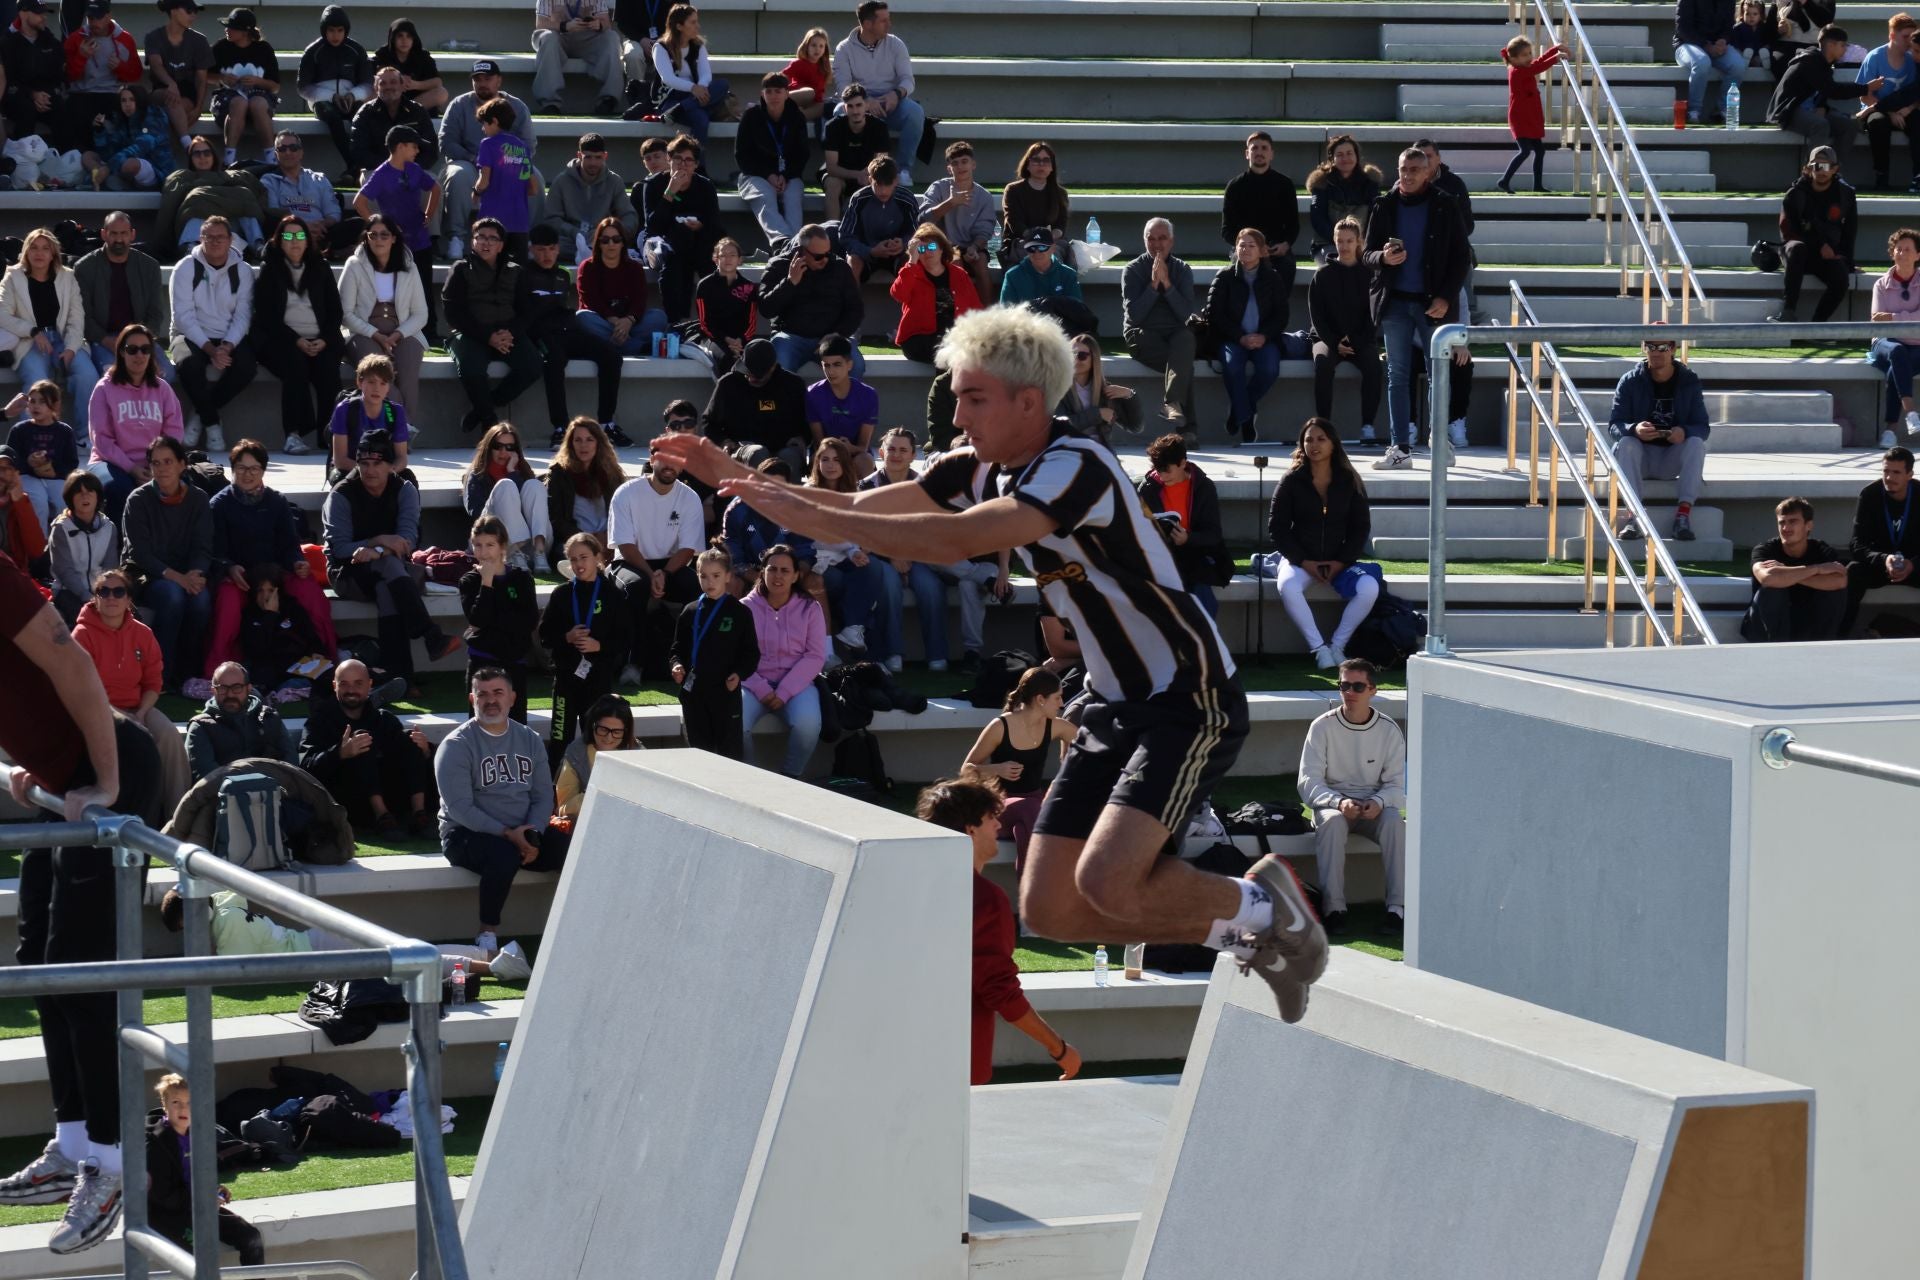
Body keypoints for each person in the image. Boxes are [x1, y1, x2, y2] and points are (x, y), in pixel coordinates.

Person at [652, 306, 1328, 1021]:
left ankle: (1265, 906)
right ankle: (1258, 933)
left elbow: (951, 540)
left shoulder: (1077, 466)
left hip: (1187, 695)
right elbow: (856, 504)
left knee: (1107, 880)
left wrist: (796, 506)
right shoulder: (983, 468)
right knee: (1053, 907)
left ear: (1028, 402)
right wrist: (742, 479)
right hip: (1112, 701)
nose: (957, 415)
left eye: (974, 398)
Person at [0, 552, 164, 1257]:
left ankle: (115, 1162)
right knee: (42, 963)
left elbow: (69, 658)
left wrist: (104, 779)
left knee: (83, 974)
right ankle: (71, 1147)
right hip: (63, 780)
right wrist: (38, 766)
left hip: (109, 771)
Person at [914, 778, 1081, 1084]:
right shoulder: (985, 899)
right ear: (971, 830)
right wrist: (1058, 1048)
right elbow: (1000, 990)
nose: (998, 825)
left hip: (900, 1052)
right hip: (955, 1063)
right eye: (991, 818)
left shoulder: (909, 887)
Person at [321, 428, 463, 688]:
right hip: (347, 572)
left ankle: (399, 678)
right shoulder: (341, 495)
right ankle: (430, 634)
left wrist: (376, 551)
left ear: (390, 465)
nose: (370, 470)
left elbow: (407, 541)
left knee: (386, 588)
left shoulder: (404, 489)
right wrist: (379, 540)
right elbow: (340, 549)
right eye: (364, 463)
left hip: (388, 571)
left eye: (377, 463)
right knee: (389, 567)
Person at [859, 426, 1007, 673]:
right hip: (880, 558)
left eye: (903, 450)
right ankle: (893, 652)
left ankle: (937, 654)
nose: (896, 454)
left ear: (912, 455)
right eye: (891, 449)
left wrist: (906, 555)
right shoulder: (866, 486)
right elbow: (864, 531)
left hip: (917, 557)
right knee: (891, 586)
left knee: (930, 587)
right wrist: (892, 556)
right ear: (881, 453)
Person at [438, 667, 561, 952]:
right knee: (503, 854)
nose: (490, 700)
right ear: (472, 699)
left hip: (523, 831)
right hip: (466, 835)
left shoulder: (529, 739)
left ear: (512, 698)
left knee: (569, 848)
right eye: (482, 694)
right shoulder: (456, 745)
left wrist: (532, 835)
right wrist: (509, 834)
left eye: (498, 692)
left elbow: (544, 796)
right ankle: (487, 934)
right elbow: (460, 809)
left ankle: (574, 924)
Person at [1364, 146, 1471, 468]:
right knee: (1397, 375)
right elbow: (1367, 254)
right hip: (1395, 303)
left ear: (1428, 172)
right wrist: (1383, 258)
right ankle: (1400, 448)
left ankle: (1440, 442)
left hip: (1432, 304)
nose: (1407, 175)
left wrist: (1445, 298)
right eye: (1403, 169)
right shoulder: (1384, 204)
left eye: (1414, 169)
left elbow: (1461, 257)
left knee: (1439, 373)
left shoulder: (1445, 204)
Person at [160, 889, 529, 978]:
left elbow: (228, 970)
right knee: (411, 952)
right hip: (317, 938)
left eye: (185, 927)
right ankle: (486, 955)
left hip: (318, 953)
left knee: (407, 963)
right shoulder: (224, 903)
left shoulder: (224, 925)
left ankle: (494, 967)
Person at [203, 438, 335, 677]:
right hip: (239, 579)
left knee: (309, 591)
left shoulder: (277, 501)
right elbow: (214, 552)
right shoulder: (219, 505)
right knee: (228, 603)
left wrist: (297, 562)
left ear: (263, 470)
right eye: (241, 468)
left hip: (275, 575)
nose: (248, 474)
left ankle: (329, 662)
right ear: (233, 469)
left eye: (254, 468)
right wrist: (229, 567)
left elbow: (290, 545)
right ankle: (218, 671)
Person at [1297, 656, 1406, 936]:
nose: (1349, 692)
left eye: (1358, 687)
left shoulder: (1389, 729)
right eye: (1344, 686)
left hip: (1374, 806)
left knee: (1395, 823)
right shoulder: (1321, 726)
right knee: (1332, 822)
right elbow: (1307, 782)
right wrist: (1338, 801)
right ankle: (1334, 909)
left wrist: (1379, 802)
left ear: (1373, 690)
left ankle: (1397, 909)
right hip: (1333, 805)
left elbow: (1397, 786)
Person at [71, 564, 190, 807]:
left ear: (128, 600)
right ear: (95, 599)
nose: (111, 597)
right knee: (138, 741)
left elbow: (153, 681)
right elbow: (81, 689)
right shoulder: (82, 634)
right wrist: (124, 718)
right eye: (104, 592)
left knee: (169, 735)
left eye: (118, 592)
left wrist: (142, 713)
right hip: (99, 711)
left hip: (138, 707)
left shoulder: (143, 634)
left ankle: (180, 814)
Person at [1267, 418, 1377, 666]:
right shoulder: (1291, 480)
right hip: (1300, 560)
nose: (1314, 445)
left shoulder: (1349, 480)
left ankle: (1337, 646)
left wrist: (1341, 562)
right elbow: (1277, 528)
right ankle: (1320, 650)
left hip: (1340, 561)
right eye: (1308, 440)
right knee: (1288, 586)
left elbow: (1361, 527)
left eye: (1321, 439)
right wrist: (1303, 561)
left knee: (1369, 588)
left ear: (1333, 444)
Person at [297, 657, 434, 837]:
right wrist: (340, 753)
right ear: (334, 686)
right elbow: (306, 766)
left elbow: (406, 758)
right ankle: (382, 816)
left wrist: (425, 750)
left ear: (370, 685)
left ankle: (419, 814)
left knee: (410, 740)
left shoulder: (384, 719)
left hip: (390, 793)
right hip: (348, 800)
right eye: (344, 684)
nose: (351, 690)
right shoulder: (319, 722)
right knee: (361, 739)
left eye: (358, 683)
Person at [144, 1073, 265, 1266]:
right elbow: (161, 1195)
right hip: (167, 1216)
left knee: (251, 1238)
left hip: (198, 1209)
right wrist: (203, 1200)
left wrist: (215, 1189)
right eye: (176, 1102)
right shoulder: (155, 1144)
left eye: (190, 1102)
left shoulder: (198, 1136)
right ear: (165, 1104)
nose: (183, 1108)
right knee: (200, 1255)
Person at [120, 434, 212, 689]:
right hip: (148, 575)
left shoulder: (198, 499)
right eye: (155, 463)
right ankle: (161, 674)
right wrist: (178, 578)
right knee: (172, 596)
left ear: (182, 464)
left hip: (186, 574)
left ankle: (189, 672)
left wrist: (196, 574)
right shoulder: (138, 500)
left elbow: (203, 546)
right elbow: (140, 553)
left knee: (201, 599)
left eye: (168, 461)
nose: (161, 468)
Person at [961, 668, 1072, 876]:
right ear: (1040, 699)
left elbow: (1087, 744)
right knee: (1029, 809)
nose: (1062, 703)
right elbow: (966, 771)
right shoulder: (1001, 726)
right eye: (1057, 698)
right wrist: (996, 769)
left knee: (1025, 827)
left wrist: (1065, 760)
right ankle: (1038, 887)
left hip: (1032, 807)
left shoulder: (1055, 726)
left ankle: (1029, 889)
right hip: (998, 805)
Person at [251, 215, 347, 454]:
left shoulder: (321, 267)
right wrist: (296, 340)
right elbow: (266, 316)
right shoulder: (269, 269)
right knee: (295, 366)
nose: (294, 241)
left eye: (300, 235)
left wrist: (324, 339)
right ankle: (293, 434)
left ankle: (330, 434)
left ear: (307, 240)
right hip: (280, 340)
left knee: (328, 370)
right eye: (288, 236)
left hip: (321, 339)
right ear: (279, 241)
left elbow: (335, 311)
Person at [607, 445, 704, 676]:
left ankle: (689, 660)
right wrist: (652, 575)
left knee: (698, 587)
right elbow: (625, 545)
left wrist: (665, 573)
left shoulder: (690, 497)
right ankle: (632, 662)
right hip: (630, 562)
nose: (670, 465)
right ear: (652, 459)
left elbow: (688, 548)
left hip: (670, 565)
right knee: (636, 587)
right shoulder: (626, 493)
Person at [1, 230, 101, 453]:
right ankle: (29, 443)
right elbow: (3, 314)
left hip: (64, 339)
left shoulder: (67, 276)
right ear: (26, 251)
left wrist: (71, 348)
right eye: (34, 248)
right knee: (37, 381)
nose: (39, 253)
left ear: (53, 253)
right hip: (30, 341)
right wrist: (33, 331)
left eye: (45, 248)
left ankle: (85, 437)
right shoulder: (13, 276)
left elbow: (76, 318)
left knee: (87, 376)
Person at [1607, 333, 1711, 541]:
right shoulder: (1630, 380)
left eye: (1662, 347)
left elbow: (1702, 426)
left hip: (1671, 457)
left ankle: (1683, 516)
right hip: (1640, 457)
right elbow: (1615, 425)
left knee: (1696, 443)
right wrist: (1634, 429)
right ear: (1644, 348)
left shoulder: (1689, 380)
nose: (1656, 352)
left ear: (1673, 349)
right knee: (1626, 442)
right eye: (1651, 347)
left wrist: (1684, 431)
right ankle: (1634, 517)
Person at [444, 218, 543, 435]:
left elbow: (527, 311)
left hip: (507, 334)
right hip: (471, 334)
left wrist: (511, 332)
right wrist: (487, 336)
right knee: (471, 368)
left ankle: (483, 408)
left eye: (492, 238)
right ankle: (489, 420)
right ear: (472, 242)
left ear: (501, 245)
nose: (485, 242)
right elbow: (453, 312)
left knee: (532, 366)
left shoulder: (516, 271)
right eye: (480, 237)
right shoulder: (460, 269)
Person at [168, 215, 256, 453]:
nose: (215, 241)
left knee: (246, 367)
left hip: (229, 336)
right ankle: (213, 424)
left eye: (221, 237)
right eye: (209, 237)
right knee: (189, 365)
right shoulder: (185, 267)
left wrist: (226, 347)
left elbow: (243, 315)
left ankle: (201, 415)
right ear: (200, 239)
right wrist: (210, 349)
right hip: (189, 334)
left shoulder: (243, 270)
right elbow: (183, 316)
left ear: (231, 240)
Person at [540, 531, 630, 766]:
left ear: (598, 557)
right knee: (560, 736)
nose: (578, 564)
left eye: (584, 557)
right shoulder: (562, 594)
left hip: (598, 681)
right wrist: (567, 637)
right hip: (566, 679)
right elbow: (544, 636)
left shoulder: (612, 595)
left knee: (596, 738)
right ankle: (556, 786)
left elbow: (625, 639)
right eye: (573, 559)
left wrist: (599, 645)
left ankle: (594, 784)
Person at [737, 543, 826, 776]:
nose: (778, 576)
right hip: (752, 685)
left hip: (797, 686)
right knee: (735, 723)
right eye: (772, 569)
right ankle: (749, 780)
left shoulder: (810, 608)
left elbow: (815, 656)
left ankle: (789, 778)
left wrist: (784, 691)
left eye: (785, 570)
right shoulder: (743, 608)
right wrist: (761, 689)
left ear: (796, 576)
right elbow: (735, 655)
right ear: (762, 572)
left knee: (808, 726)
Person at [438, 59, 539, 261]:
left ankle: (531, 237)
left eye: (488, 79)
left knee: (537, 175)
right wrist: (473, 158)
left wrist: (501, 164)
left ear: (499, 80)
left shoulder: (518, 106)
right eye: (477, 79)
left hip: (505, 165)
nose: (482, 83)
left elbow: (529, 144)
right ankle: (457, 237)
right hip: (468, 162)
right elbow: (446, 141)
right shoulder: (459, 104)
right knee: (459, 174)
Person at [353, 127, 442, 347]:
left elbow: (435, 188)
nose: (417, 150)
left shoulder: (414, 169)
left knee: (424, 286)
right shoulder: (382, 174)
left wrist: (429, 214)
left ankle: (430, 332)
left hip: (420, 239)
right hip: (395, 246)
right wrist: (382, 229)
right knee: (397, 291)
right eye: (414, 146)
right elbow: (359, 202)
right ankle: (399, 331)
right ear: (400, 147)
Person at [339, 217, 428, 434]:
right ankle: (399, 428)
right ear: (366, 238)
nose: (378, 240)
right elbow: (345, 313)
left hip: (403, 330)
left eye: (384, 235)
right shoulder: (354, 265)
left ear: (394, 238)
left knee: (408, 373)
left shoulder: (409, 267)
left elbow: (420, 313)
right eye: (373, 235)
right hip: (363, 331)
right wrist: (375, 334)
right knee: (380, 374)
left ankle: (405, 429)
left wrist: (398, 334)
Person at [86, 322, 182, 520]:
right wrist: (132, 468)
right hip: (111, 462)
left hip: (155, 463)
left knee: (184, 487)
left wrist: (157, 466)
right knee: (118, 489)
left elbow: (174, 433)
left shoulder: (163, 389)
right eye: (132, 349)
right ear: (121, 352)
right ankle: (121, 539)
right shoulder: (104, 389)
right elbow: (102, 440)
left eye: (145, 349)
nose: (139, 355)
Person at [671, 546, 758, 757]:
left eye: (716, 575)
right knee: (699, 752)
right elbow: (678, 648)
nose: (710, 582)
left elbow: (751, 653)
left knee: (729, 752)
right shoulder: (690, 611)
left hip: (725, 692)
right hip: (694, 693)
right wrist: (676, 664)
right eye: (703, 576)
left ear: (728, 576)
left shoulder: (740, 612)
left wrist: (739, 673)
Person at [1206, 227, 1287, 444]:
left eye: (1252, 245)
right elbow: (1215, 314)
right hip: (1232, 339)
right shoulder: (1224, 276)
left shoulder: (1272, 278)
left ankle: (1239, 410)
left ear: (1262, 251)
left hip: (1264, 339)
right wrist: (1240, 337)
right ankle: (1247, 418)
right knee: (1232, 367)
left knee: (1269, 369)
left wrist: (1264, 336)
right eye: (1242, 245)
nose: (1246, 249)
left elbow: (1282, 315)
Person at [1137, 433, 1229, 616]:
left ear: (1182, 463)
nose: (1162, 476)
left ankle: (1203, 632)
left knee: (1202, 603)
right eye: (1158, 470)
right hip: (1160, 557)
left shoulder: (1203, 487)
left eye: (1167, 470)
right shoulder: (1147, 489)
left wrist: (1188, 538)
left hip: (1195, 556)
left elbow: (1213, 535)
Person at [73, 212, 171, 383]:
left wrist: (141, 344)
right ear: (104, 234)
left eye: (124, 233)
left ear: (132, 234)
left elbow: (155, 314)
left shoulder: (149, 266)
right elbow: (84, 316)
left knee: (165, 374)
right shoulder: (85, 268)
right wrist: (108, 341)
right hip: (103, 339)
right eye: (114, 233)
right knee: (116, 378)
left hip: (140, 337)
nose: (119, 239)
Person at [833, 1, 923, 185]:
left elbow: (908, 80)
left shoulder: (896, 44)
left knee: (915, 112)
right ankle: (846, 169)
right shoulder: (844, 48)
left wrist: (896, 94)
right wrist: (866, 101)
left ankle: (903, 170)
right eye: (884, 21)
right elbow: (843, 87)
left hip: (892, 103)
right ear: (867, 24)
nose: (889, 24)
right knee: (839, 112)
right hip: (860, 102)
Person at [1121, 218, 1197, 434]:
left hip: (1174, 333)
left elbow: (1185, 314)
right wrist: (1154, 284)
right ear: (1144, 240)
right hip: (1142, 334)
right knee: (1183, 366)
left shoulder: (1182, 269)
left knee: (1186, 338)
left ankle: (1172, 405)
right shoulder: (1133, 270)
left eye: (1162, 238)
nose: (1156, 244)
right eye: (1151, 239)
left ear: (1171, 241)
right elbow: (1135, 316)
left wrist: (1168, 284)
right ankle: (1187, 430)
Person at [459, 515, 539, 717]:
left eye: (490, 545)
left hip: (514, 663)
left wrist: (492, 619)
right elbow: (478, 620)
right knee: (480, 724)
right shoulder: (470, 581)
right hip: (482, 662)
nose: (483, 552)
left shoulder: (522, 579)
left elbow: (528, 622)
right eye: (478, 545)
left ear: (502, 546)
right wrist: (486, 584)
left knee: (517, 725)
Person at [1311, 216, 1382, 442]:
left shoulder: (1370, 274)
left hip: (1361, 339)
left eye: (1349, 241)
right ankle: (1324, 426)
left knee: (1374, 365)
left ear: (1358, 241)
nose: (1344, 246)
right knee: (1323, 364)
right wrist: (1335, 342)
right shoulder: (1322, 274)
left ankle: (1368, 425)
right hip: (1327, 339)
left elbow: (1373, 315)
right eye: (1340, 241)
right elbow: (1317, 316)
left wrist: (1356, 341)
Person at [761, 223, 865, 376]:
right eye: (818, 256)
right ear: (802, 250)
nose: (825, 260)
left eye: (828, 253)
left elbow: (855, 309)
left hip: (831, 337)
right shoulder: (779, 265)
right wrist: (790, 282)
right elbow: (766, 309)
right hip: (790, 336)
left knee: (856, 365)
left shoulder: (839, 267)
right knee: (779, 365)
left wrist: (838, 333)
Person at [1742, 496, 1847, 641]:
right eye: (1782, 522)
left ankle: (1822, 647)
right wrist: (1816, 569)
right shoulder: (1765, 550)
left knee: (1834, 593)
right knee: (1772, 590)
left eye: (1793, 521)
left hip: (1806, 624)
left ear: (1808, 525)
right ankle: (1775, 648)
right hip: (1766, 628)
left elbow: (1840, 581)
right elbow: (1768, 578)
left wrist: (1786, 573)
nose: (1785, 528)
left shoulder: (1821, 550)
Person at [642, 133, 722, 323]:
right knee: (674, 259)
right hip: (662, 244)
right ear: (669, 159)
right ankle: (675, 321)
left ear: (696, 164)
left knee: (707, 260)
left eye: (688, 160)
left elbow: (715, 224)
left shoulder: (705, 186)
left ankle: (712, 323)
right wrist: (670, 192)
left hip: (697, 242)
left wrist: (700, 225)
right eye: (678, 158)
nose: (683, 164)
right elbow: (652, 226)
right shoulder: (653, 185)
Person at [1774, 145, 1856, 324]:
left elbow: (1850, 231)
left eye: (1826, 166)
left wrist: (1845, 260)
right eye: (1816, 166)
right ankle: (1788, 311)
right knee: (1797, 248)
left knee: (1841, 276)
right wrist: (1819, 245)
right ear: (1808, 168)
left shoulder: (1846, 194)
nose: (1821, 171)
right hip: (1797, 253)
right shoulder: (1795, 193)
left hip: (1825, 255)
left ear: (1835, 169)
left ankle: (1818, 325)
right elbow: (1789, 232)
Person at [1768, 24, 1880, 155]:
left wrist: (1821, 105)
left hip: (1810, 108)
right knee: (1820, 125)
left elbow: (1822, 88)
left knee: (1848, 125)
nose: (1845, 50)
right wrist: (1866, 88)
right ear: (1831, 45)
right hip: (1790, 110)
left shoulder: (1824, 64)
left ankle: (1834, 166)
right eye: (1842, 45)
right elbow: (1832, 90)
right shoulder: (1810, 61)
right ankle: (1815, 166)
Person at [1843, 445, 1920, 632]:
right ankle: (1840, 636)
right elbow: (1856, 544)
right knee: (1853, 571)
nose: (1889, 478)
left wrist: (1913, 564)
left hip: (1915, 565)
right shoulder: (1870, 494)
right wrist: (1884, 559)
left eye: (1896, 472)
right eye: (1886, 471)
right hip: (1880, 565)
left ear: (1909, 475)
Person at [702, 337, 810, 470]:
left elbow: (808, 421)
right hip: (744, 449)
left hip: (783, 447)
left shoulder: (793, 385)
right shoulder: (728, 384)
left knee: (790, 456)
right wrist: (723, 441)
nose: (751, 378)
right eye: (748, 372)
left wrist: (802, 438)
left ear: (772, 367)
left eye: (758, 375)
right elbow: (709, 422)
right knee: (757, 452)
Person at [734, 71, 810, 251]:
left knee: (793, 196)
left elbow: (802, 154)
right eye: (768, 91)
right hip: (754, 174)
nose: (773, 96)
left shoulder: (797, 117)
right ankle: (784, 242)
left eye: (778, 91)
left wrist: (786, 175)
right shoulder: (751, 116)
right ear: (762, 94)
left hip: (789, 174)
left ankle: (793, 246)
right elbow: (742, 155)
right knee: (765, 195)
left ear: (787, 93)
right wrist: (768, 175)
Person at [463, 424, 552, 571]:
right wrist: (507, 482)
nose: (503, 452)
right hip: (496, 545)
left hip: (530, 548)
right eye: (498, 446)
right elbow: (476, 512)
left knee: (534, 485)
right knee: (505, 485)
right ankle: (514, 552)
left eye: (510, 447)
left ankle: (540, 552)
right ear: (489, 448)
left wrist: (512, 471)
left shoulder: (523, 471)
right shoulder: (477, 474)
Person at [184, 660, 295, 778]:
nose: (230, 694)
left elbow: (292, 767)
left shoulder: (270, 717)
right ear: (213, 691)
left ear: (249, 688)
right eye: (223, 688)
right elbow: (207, 777)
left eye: (237, 688)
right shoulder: (201, 727)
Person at [259, 130, 362, 257]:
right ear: (276, 154)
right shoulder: (268, 180)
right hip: (290, 234)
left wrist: (322, 225)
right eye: (282, 149)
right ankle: (328, 252)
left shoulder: (319, 179)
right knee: (272, 225)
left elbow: (333, 213)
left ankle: (322, 250)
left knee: (359, 224)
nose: (288, 152)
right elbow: (273, 213)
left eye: (293, 148)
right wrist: (303, 227)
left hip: (321, 232)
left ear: (301, 152)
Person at [576, 214, 669, 354]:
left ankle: (615, 345)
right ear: (598, 243)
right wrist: (616, 322)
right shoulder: (587, 267)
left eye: (616, 239)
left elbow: (640, 300)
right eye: (605, 240)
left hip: (630, 324)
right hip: (602, 321)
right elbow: (591, 302)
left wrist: (628, 321)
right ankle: (636, 347)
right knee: (582, 318)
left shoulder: (634, 268)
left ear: (622, 243)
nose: (611, 244)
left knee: (659, 317)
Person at [297, 5, 372, 178]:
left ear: (346, 30)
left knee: (363, 117)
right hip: (321, 100)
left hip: (350, 97)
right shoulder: (313, 51)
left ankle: (363, 164)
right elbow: (303, 87)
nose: (335, 35)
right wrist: (331, 96)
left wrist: (353, 95)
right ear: (324, 30)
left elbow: (368, 83)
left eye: (340, 30)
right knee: (333, 117)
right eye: (331, 30)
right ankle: (354, 165)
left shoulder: (357, 50)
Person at [918, 140, 996, 305]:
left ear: (973, 164)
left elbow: (985, 230)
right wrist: (950, 203)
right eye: (955, 163)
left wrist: (975, 247)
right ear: (949, 169)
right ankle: (959, 313)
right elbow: (923, 219)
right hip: (942, 246)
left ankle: (989, 312)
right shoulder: (938, 188)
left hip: (972, 246)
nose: (960, 166)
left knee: (981, 261)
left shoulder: (984, 196)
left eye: (964, 161)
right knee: (955, 260)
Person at [1220, 131, 1299, 295]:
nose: (1259, 152)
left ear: (1271, 154)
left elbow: (1293, 225)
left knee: (1286, 268)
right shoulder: (1234, 187)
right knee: (1236, 277)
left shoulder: (1285, 185)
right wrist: (1250, 246)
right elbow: (1226, 230)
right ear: (1247, 153)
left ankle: (1277, 312)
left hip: (1276, 249)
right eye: (1254, 148)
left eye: (1264, 148)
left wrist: (1285, 244)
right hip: (1244, 247)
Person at [891, 223, 980, 366]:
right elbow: (898, 295)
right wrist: (912, 261)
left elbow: (976, 308)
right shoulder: (911, 273)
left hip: (954, 338)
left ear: (941, 249)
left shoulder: (960, 275)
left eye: (931, 247)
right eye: (921, 249)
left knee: (962, 351)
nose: (927, 252)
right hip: (919, 339)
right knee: (950, 353)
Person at [235, 564, 332, 694]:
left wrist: (316, 651)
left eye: (270, 590)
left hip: (297, 664)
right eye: (260, 591)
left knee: (329, 675)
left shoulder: (292, 607)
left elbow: (311, 636)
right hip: (267, 667)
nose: (266, 596)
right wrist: (270, 615)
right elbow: (256, 649)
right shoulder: (249, 614)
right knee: (261, 679)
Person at [546, 416, 627, 571]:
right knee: (564, 553)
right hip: (575, 539)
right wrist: (587, 538)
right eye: (578, 440)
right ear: (571, 443)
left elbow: (623, 512)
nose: (583, 445)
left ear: (598, 443)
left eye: (589, 439)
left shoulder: (612, 473)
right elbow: (556, 519)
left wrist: (607, 536)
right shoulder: (559, 473)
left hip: (608, 539)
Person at [545, 132, 638, 262]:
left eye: (598, 157)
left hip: (603, 240)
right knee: (544, 246)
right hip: (570, 242)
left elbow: (629, 217)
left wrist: (606, 232)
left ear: (605, 156)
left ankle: (591, 252)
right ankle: (589, 253)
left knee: (612, 243)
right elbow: (551, 219)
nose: (593, 162)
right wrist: (575, 233)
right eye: (588, 157)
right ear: (579, 155)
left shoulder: (614, 181)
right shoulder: (561, 181)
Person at [62, 0, 143, 147]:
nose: (93, 23)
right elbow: (68, 77)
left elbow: (136, 74)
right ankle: (79, 154)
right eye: (90, 18)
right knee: (74, 110)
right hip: (83, 93)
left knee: (125, 109)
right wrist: (81, 57)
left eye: (98, 18)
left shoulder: (125, 39)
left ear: (108, 16)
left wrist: (120, 67)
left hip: (112, 93)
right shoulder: (76, 38)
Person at [208, 7, 279, 168]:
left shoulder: (264, 49)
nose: (227, 30)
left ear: (245, 31)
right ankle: (229, 160)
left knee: (258, 103)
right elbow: (204, 75)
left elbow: (275, 86)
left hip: (258, 100)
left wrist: (258, 81)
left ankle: (271, 159)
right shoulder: (220, 47)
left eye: (232, 27)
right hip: (228, 100)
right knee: (239, 102)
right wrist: (222, 78)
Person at [1858, 12, 1920, 191]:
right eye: (1905, 37)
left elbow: (1916, 94)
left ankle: (1917, 176)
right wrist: (1890, 112)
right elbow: (1864, 95)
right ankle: (1881, 175)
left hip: (1904, 111)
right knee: (1878, 123)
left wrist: (1909, 109)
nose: (1910, 41)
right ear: (1892, 35)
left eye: (1912, 36)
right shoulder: (1875, 57)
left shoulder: (1914, 59)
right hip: (1877, 109)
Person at [8, 380, 80, 533]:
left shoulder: (64, 431)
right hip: (27, 476)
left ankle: (62, 540)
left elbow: (71, 463)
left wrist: (54, 472)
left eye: (42, 401)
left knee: (63, 503)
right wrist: (28, 463)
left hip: (56, 477)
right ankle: (40, 543)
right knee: (38, 502)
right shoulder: (19, 430)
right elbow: (10, 462)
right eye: (32, 401)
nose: (36, 406)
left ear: (54, 405)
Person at [1870, 227, 1920, 446]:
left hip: (1917, 345)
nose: (1902, 253)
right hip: (1885, 342)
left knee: (1895, 368)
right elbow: (1877, 321)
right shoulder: (1881, 284)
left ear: (1918, 255)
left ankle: (1890, 431)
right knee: (1897, 351)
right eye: (1898, 249)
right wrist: (1909, 319)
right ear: (1892, 253)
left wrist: (1893, 317)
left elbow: (1887, 318)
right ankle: (1911, 412)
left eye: (1908, 249)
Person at [471, 98, 539, 260]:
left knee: (488, 268)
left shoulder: (488, 144)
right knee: (516, 270)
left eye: (484, 124)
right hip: (519, 221)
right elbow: (533, 188)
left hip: (492, 222)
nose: (483, 128)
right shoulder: (522, 147)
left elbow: (484, 180)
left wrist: (476, 192)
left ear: (494, 121)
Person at [652, 3, 729, 145]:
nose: (698, 26)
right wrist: (693, 88)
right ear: (679, 26)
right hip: (671, 98)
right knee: (701, 119)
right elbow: (667, 78)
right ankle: (697, 162)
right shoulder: (661, 47)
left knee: (723, 84)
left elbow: (706, 74)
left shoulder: (698, 46)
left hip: (693, 96)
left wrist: (701, 88)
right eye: (693, 22)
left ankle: (680, 109)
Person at [327, 352, 412, 481]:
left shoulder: (395, 411)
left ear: (388, 387)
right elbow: (340, 460)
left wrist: (388, 470)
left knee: (408, 478)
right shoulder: (345, 409)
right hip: (351, 469)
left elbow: (401, 458)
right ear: (360, 382)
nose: (377, 388)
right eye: (371, 382)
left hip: (384, 472)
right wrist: (369, 472)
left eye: (383, 383)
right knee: (340, 478)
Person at [530, 0, 622, 117]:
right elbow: (541, 24)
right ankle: (549, 103)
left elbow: (606, 23)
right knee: (547, 37)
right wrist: (565, 26)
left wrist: (598, 24)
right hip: (558, 37)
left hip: (586, 39)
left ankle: (608, 100)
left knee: (611, 37)